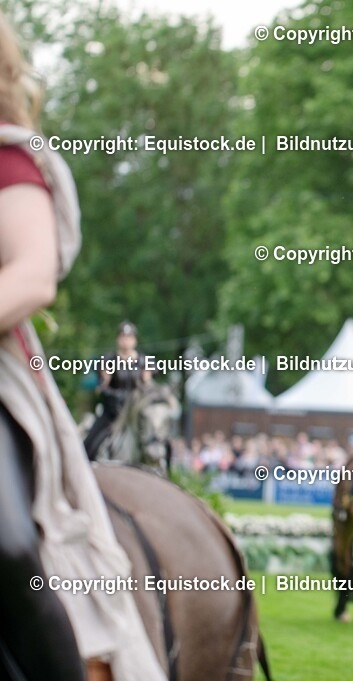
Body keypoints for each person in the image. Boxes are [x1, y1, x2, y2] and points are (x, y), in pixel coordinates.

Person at [0, 11, 165, 681]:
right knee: (102, 431)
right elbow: (101, 389)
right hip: (106, 409)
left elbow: (33, 276)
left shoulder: (9, 157)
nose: (123, 341)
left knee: (9, 544)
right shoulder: (107, 363)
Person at [83, 321, 152, 460]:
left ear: (135, 340)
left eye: (129, 337)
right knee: (90, 442)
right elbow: (103, 386)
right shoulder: (108, 360)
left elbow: (148, 386)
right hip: (113, 412)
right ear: (118, 339)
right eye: (123, 337)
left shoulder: (144, 362)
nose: (126, 341)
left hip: (135, 412)